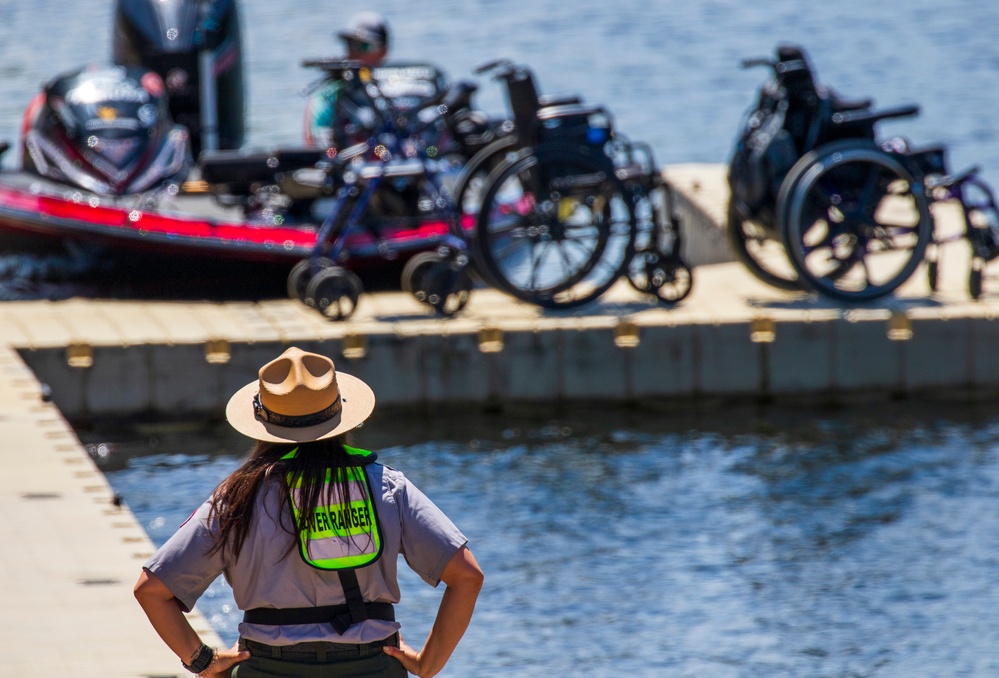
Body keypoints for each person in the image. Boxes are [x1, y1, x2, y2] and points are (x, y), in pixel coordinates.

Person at [134, 346, 483, 677]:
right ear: (340, 416)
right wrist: (428, 664)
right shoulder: (386, 487)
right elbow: (467, 576)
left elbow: (151, 590)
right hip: (372, 666)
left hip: (267, 668)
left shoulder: (235, 499)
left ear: (264, 427)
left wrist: (202, 660)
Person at [304, 11, 392, 149]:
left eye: (363, 46)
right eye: (349, 44)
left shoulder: (398, 88)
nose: (353, 53)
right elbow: (321, 148)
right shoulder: (328, 96)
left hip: (395, 158)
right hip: (350, 163)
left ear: (383, 52)